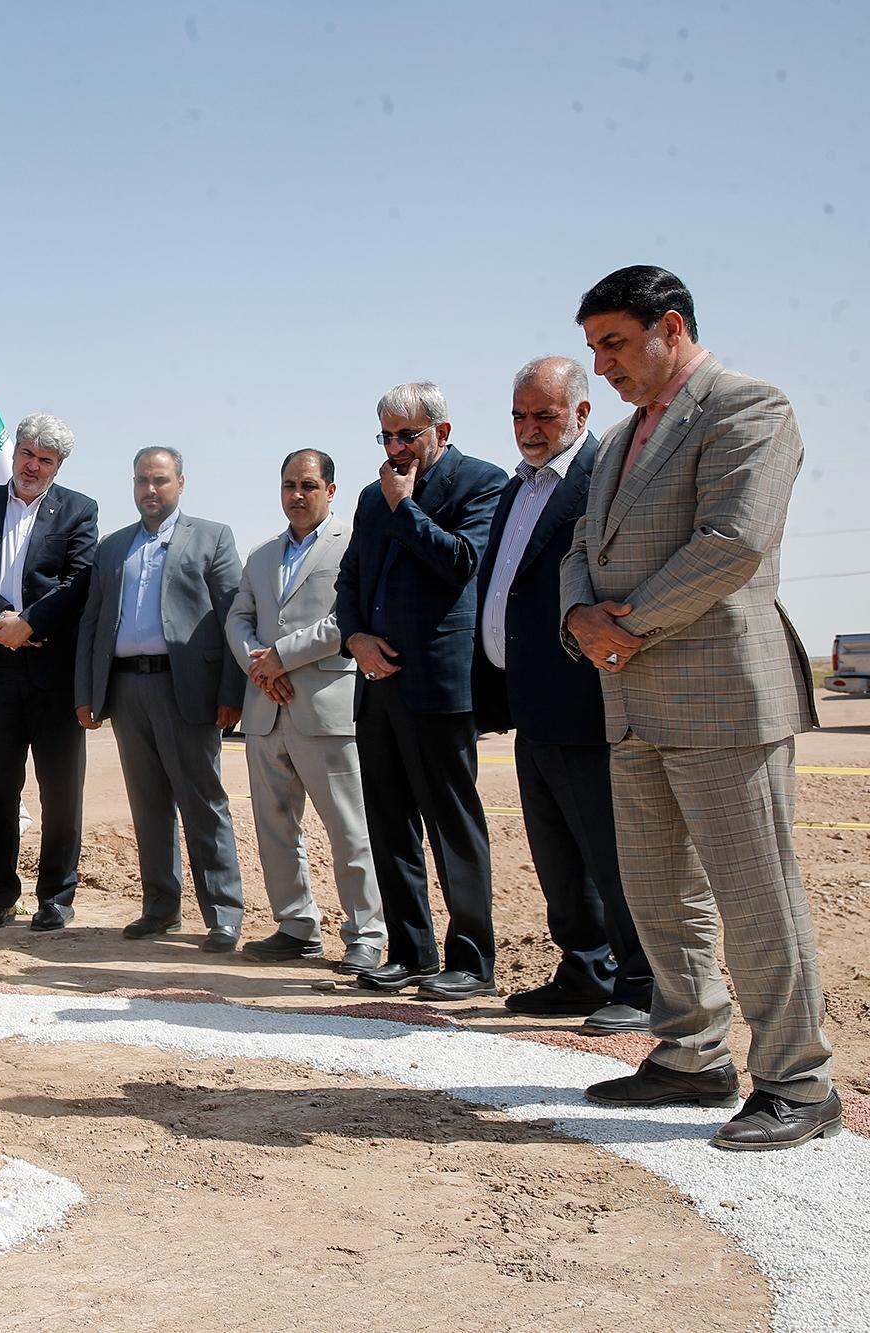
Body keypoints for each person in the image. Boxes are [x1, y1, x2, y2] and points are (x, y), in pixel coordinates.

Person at [564, 265, 839, 1149]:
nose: (601, 364)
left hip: (722, 695)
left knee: (755, 893)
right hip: (632, 698)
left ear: (670, 327)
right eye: (593, 346)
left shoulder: (748, 408)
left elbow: (734, 542)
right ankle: (692, 1055)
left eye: (614, 342)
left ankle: (798, 1079)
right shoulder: (614, 442)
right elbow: (579, 545)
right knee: (660, 895)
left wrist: (628, 625)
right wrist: (581, 616)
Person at [471, 357, 650, 1035]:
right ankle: (585, 968)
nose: (528, 428)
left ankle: (642, 981)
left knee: (612, 849)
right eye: (519, 414)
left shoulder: (605, 476)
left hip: (587, 695)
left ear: (581, 412)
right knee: (556, 851)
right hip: (530, 701)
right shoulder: (519, 489)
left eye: (543, 414)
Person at [337, 382, 507, 1000]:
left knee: (451, 824)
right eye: (385, 435)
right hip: (375, 682)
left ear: (442, 431)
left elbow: (462, 562)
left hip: (438, 684)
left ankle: (471, 960)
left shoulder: (480, 483)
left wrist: (406, 507)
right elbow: (351, 576)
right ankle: (410, 952)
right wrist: (354, 636)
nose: (395, 447)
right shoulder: (370, 496)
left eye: (407, 434)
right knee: (388, 822)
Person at [74, 447, 244, 948]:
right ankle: (160, 907)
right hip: (127, 689)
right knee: (148, 804)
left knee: (202, 801)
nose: (151, 489)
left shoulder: (213, 538)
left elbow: (234, 617)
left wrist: (231, 692)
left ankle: (223, 913)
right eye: (143, 480)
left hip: (186, 688)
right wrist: (87, 692)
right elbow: (92, 624)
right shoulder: (112, 548)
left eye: (161, 480)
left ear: (181, 483)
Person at [228, 449, 384, 974]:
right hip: (265, 709)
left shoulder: (352, 545)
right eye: (290, 485)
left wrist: (282, 657)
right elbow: (238, 618)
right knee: (275, 828)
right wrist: (258, 666)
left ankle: (366, 933)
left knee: (348, 828)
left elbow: (349, 618)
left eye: (309, 486)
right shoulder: (261, 556)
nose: (298, 495)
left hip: (325, 710)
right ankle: (296, 926)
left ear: (331, 491)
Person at [0, 413, 99, 932]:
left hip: (53, 674)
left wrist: (30, 623)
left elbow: (81, 582)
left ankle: (56, 896)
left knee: (61, 791)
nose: (32, 466)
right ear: (13, 452)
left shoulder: (79, 511)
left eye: (45, 460)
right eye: (27, 454)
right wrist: (1, 618)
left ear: (58, 467)